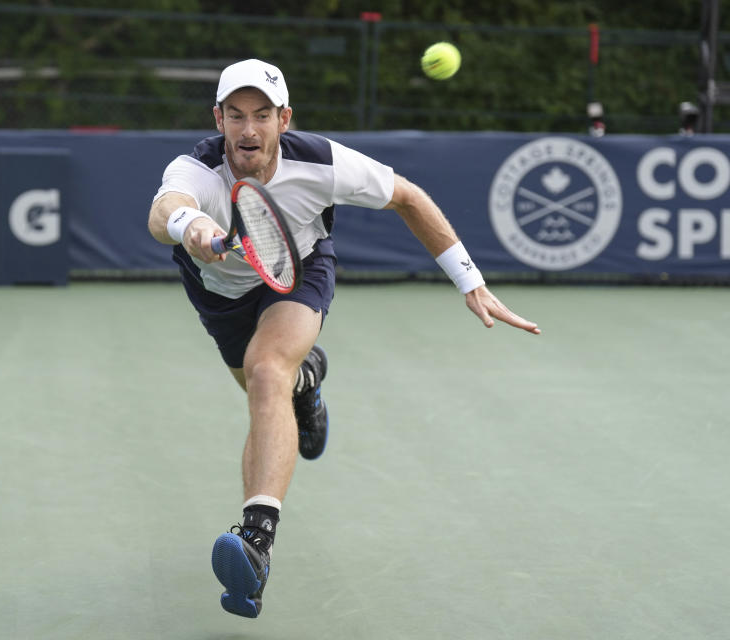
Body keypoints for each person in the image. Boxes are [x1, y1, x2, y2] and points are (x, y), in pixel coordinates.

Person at [147, 58, 540, 619]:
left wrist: (470, 281)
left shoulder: (323, 162)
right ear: (219, 118)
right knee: (266, 391)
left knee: (266, 374)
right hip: (220, 292)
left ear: (285, 120)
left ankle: (256, 543)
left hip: (299, 272)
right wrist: (197, 228)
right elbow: (165, 211)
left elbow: (409, 197)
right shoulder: (197, 170)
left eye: (263, 115)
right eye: (236, 116)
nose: (249, 129)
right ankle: (308, 382)